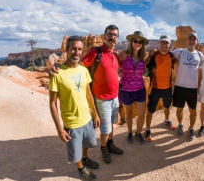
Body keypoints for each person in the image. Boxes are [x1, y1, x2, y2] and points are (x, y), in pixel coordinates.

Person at [50, 25, 124, 164]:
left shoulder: (114, 54)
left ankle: (111, 144)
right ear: (104, 36)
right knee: (105, 128)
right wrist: (58, 66)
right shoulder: (96, 52)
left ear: (118, 38)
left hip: (114, 97)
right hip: (102, 98)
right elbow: (77, 66)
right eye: (109, 34)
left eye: (115, 35)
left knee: (111, 125)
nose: (112, 37)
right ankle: (104, 149)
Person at [49, 36, 100, 180]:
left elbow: (89, 94)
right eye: (73, 48)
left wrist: (95, 114)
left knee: (90, 142)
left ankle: (85, 158)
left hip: (87, 119)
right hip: (71, 123)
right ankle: (81, 168)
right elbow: (52, 103)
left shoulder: (83, 70)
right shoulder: (57, 73)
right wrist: (59, 129)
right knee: (74, 154)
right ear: (67, 49)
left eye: (79, 49)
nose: (76, 52)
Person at [171, 32, 204, 140]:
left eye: (194, 39)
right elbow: (166, 56)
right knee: (179, 109)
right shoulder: (180, 52)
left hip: (192, 88)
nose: (192, 41)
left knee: (193, 110)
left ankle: (191, 128)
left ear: (196, 41)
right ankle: (180, 124)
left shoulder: (200, 55)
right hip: (179, 86)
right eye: (190, 39)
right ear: (186, 40)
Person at [118, 31, 148, 144]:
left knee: (141, 115)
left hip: (140, 90)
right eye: (135, 41)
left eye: (140, 42)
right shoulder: (123, 54)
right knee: (128, 114)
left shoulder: (143, 56)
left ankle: (138, 133)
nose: (137, 43)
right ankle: (130, 133)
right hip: (125, 91)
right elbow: (113, 65)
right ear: (131, 42)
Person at [145, 35, 176, 142]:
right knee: (150, 110)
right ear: (158, 43)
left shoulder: (171, 56)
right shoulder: (154, 55)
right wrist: (149, 55)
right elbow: (145, 65)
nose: (164, 45)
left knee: (167, 107)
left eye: (166, 43)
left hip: (167, 88)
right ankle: (148, 129)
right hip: (155, 88)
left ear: (169, 44)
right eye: (162, 43)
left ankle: (166, 120)